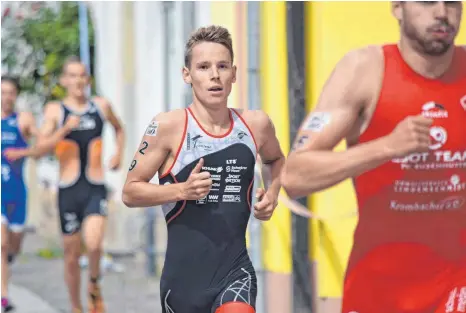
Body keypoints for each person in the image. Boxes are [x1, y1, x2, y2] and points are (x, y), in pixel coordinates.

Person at [281, 2, 465, 313]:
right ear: (397, 8)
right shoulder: (364, 70)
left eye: (451, 2)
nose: (441, 12)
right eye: (426, 1)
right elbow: (294, 176)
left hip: (455, 284)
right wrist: (387, 147)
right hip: (380, 289)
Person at [122, 25, 285, 313]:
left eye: (222, 66)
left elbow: (275, 160)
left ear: (234, 73)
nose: (214, 75)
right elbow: (130, 192)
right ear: (187, 75)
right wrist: (182, 190)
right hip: (183, 282)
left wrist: (272, 193)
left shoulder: (256, 124)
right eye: (203, 67)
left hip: (235, 273)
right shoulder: (167, 127)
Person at [4, 57, 125, 313]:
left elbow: (119, 128)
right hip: (68, 190)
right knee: (71, 257)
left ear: (87, 79)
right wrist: (64, 129)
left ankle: (93, 285)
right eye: (72, 75)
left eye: (82, 75)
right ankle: (75, 306)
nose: (78, 81)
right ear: (64, 81)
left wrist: (118, 154)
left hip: (95, 185)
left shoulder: (101, 106)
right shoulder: (55, 111)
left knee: (93, 243)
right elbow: (41, 148)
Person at [1, 76, 38, 312]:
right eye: (2, 92)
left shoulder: (22, 120)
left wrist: (23, 153)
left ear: (16, 95)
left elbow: (42, 144)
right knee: (1, 244)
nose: (6, 97)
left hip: (17, 193)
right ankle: (4, 297)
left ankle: (10, 257)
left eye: (11, 92)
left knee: (14, 244)